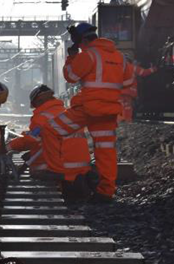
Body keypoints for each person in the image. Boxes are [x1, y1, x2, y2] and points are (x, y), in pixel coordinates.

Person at [43, 23, 133, 203]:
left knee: (50, 130)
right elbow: (128, 81)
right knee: (105, 151)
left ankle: (58, 173)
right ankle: (105, 193)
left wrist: (71, 57)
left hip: (87, 109)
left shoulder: (89, 55)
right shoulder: (120, 58)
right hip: (109, 111)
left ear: (82, 40)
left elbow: (71, 76)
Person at [6, 85, 91, 189]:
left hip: (61, 170)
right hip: (81, 169)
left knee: (36, 167)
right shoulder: (67, 114)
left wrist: (8, 146)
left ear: (38, 100)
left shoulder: (42, 117)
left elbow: (30, 141)